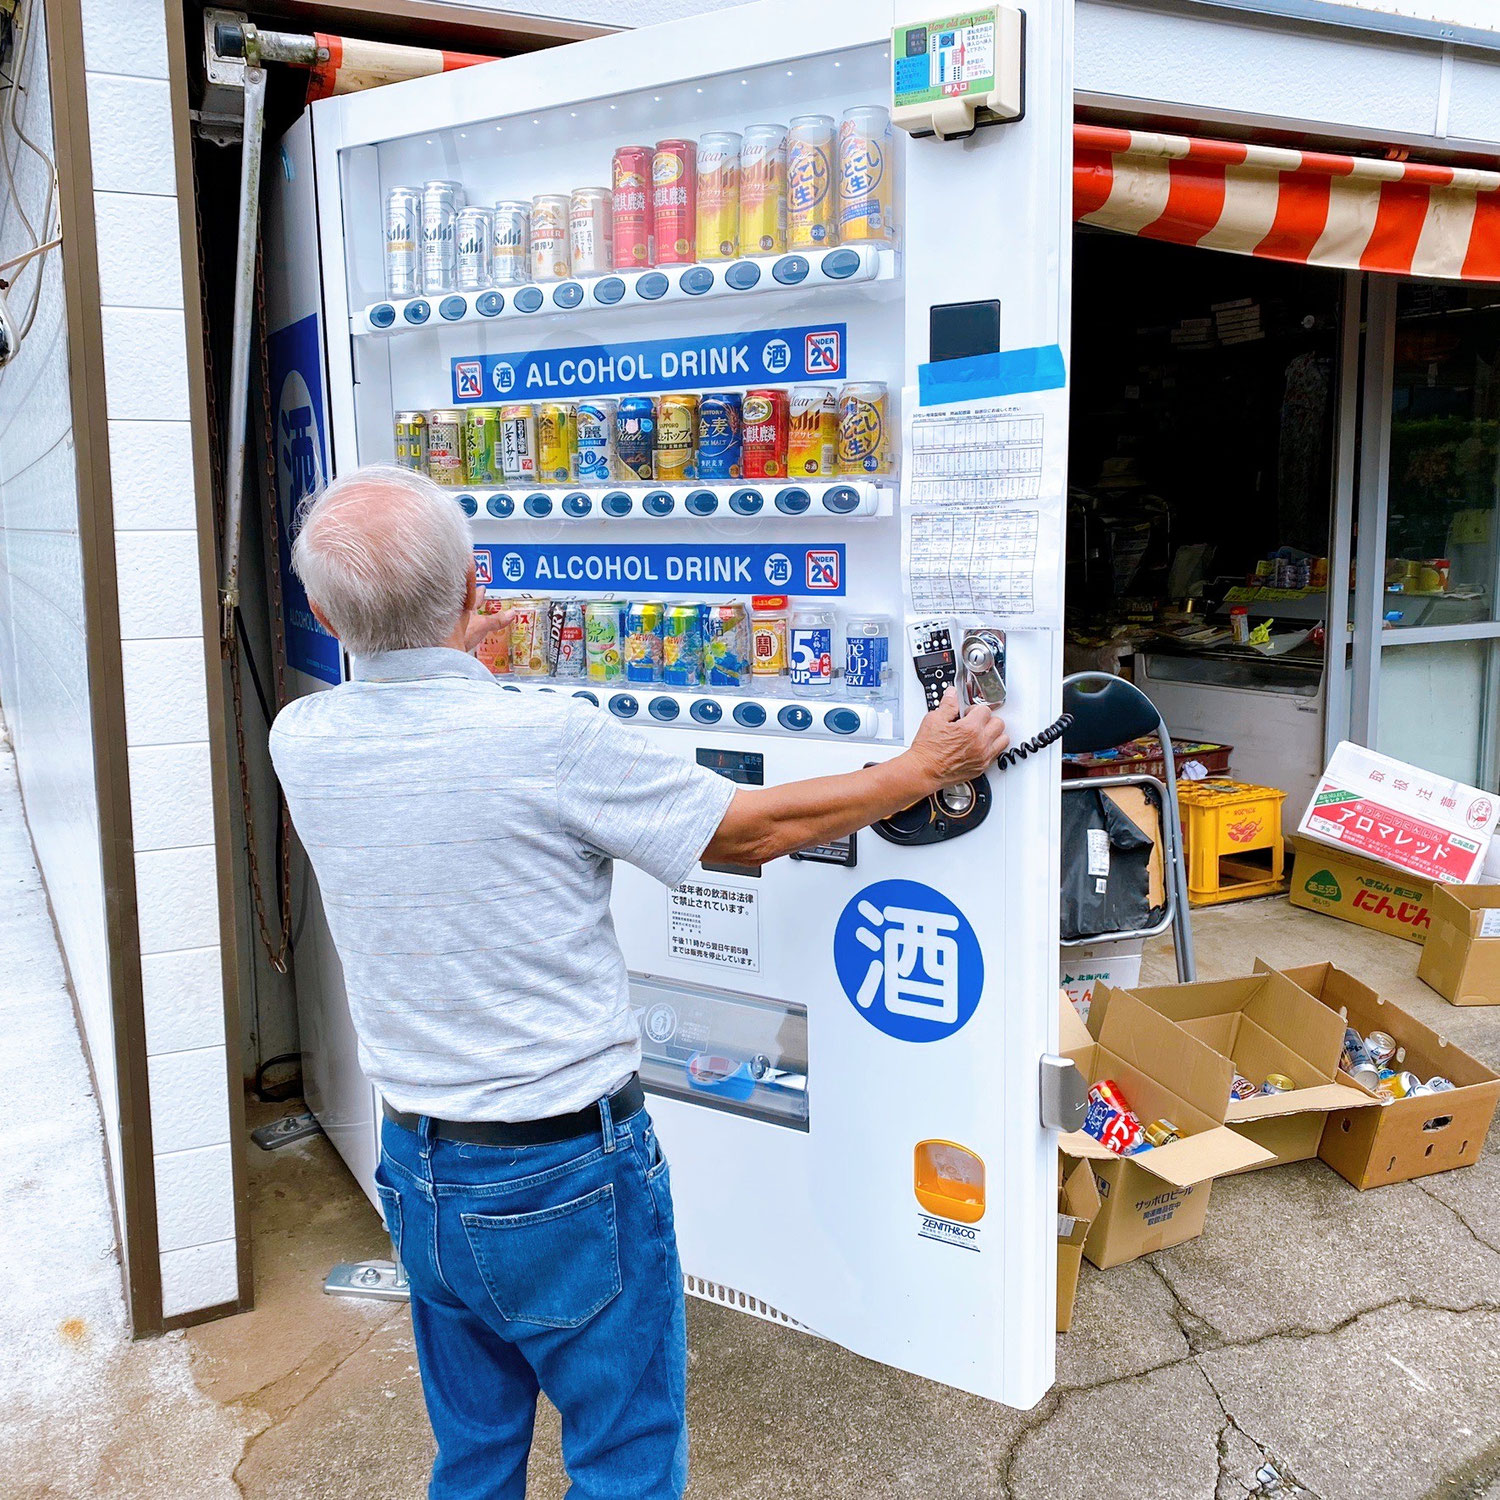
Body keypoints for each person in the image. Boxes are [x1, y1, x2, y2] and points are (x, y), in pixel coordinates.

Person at [269, 465, 1009, 1500]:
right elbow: (751, 835)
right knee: (624, 1458)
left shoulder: (301, 740)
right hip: (567, 1175)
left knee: (475, 1454)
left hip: (419, 1170)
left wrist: (450, 644)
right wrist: (922, 770)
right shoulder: (548, 740)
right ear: (479, 586)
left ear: (319, 611)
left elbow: (422, 734)